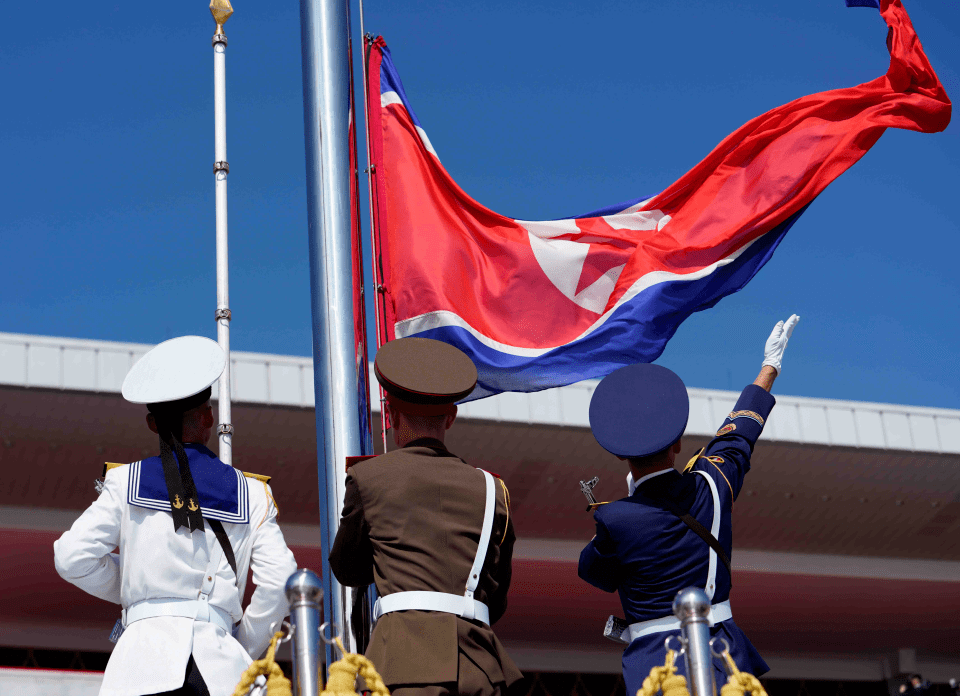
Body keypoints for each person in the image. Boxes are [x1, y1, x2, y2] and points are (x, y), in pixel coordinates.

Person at [54, 336, 297, 696]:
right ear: (209, 417)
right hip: (222, 673)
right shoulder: (253, 493)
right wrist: (236, 644)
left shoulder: (125, 481)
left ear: (153, 424)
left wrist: (137, 589)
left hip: (140, 669)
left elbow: (71, 558)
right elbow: (281, 582)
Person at [579, 315, 800, 694]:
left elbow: (594, 573)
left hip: (658, 673)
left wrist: (630, 505)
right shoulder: (713, 485)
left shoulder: (614, 519)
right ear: (678, 444)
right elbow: (739, 435)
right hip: (725, 662)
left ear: (621, 457)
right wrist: (770, 367)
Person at [329, 337, 522, 696]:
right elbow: (496, 597)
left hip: (404, 665)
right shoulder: (494, 489)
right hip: (480, 665)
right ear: (451, 416)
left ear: (392, 414)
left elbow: (346, 568)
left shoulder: (368, 477)